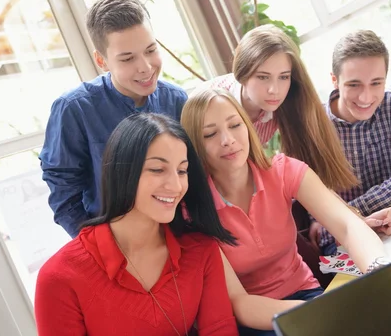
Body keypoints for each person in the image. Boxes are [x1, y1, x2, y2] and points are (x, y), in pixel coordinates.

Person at [181, 88, 391, 336]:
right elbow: (240, 302)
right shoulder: (192, 212)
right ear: (195, 145)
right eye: (210, 134)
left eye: (235, 125)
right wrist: (313, 310)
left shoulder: (283, 170)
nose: (227, 139)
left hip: (306, 293)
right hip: (257, 320)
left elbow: (347, 225)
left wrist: (380, 270)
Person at [35, 113, 238, 336]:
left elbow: (220, 330)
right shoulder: (59, 278)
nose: (175, 186)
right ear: (123, 172)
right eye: (157, 169)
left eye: (182, 171)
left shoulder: (201, 250)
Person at [39, 0, 188, 237]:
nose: (146, 67)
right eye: (127, 58)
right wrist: (105, 248)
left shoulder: (177, 100)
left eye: (151, 50)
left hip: (180, 236)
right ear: (102, 60)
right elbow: (65, 197)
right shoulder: (74, 109)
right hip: (117, 247)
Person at [311, 30, 391, 252]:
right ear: (334, 81)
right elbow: (321, 227)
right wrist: (353, 219)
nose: (366, 97)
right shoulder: (313, 127)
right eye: (354, 85)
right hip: (347, 239)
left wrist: (352, 209)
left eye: (376, 83)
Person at [202, 24, 357, 192]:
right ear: (242, 74)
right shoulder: (210, 101)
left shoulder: (281, 105)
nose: (274, 90)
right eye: (263, 77)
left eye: (283, 77)